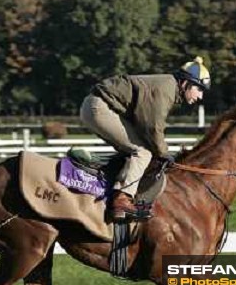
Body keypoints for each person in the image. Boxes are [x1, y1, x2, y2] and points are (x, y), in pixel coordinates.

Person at [79, 56, 211, 222]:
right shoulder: (166, 89)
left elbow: (146, 126)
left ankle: (110, 185)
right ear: (186, 83)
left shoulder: (168, 87)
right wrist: (165, 154)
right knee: (142, 152)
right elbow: (153, 127)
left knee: (135, 151)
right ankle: (122, 199)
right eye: (199, 89)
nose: (200, 96)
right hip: (99, 107)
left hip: (97, 105)